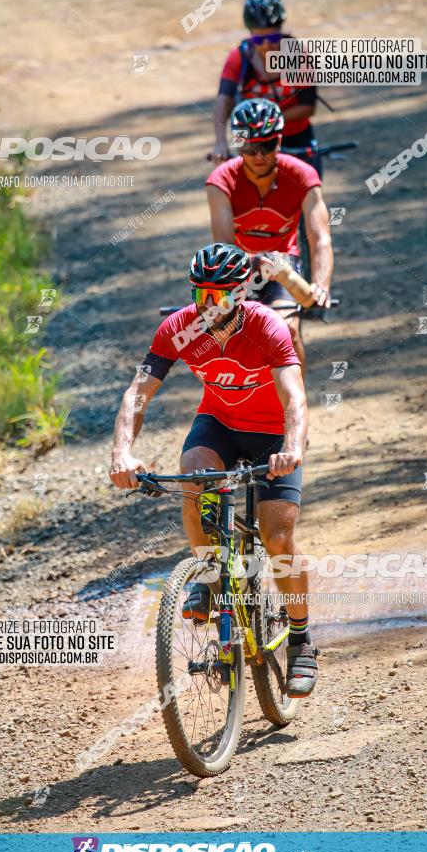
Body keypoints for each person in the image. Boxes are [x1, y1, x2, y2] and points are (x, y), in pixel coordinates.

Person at [109, 242, 319, 698]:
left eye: (218, 295)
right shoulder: (178, 328)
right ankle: (209, 578)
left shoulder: (268, 327)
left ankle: (301, 640)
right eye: (200, 294)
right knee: (195, 480)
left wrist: (291, 447)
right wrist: (122, 453)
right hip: (220, 423)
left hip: (272, 434)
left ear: (241, 293)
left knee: (278, 537)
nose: (207, 305)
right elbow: (138, 393)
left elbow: (294, 397)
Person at [206, 97, 333, 376]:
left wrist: (321, 284)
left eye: (267, 145)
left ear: (279, 142)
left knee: (287, 328)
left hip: (283, 261)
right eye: (251, 147)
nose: (260, 155)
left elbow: (319, 236)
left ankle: (296, 402)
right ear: (239, 145)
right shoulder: (221, 181)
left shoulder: (302, 174)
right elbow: (226, 247)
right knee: (230, 341)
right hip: (238, 264)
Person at [211, 0, 320, 173]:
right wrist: (220, 141)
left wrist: (267, 123)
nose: (268, 45)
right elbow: (224, 100)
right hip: (251, 140)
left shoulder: (298, 56)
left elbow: (308, 107)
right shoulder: (239, 58)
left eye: (274, 38)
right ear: (250, 35)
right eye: (259, 40)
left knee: (308, 190)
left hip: (295, 136)